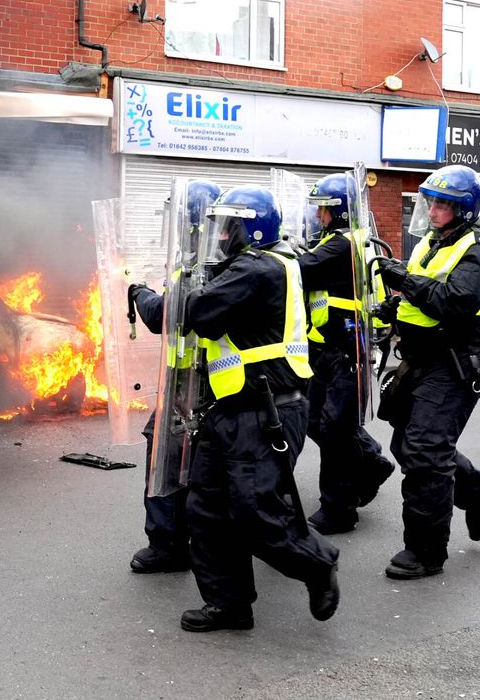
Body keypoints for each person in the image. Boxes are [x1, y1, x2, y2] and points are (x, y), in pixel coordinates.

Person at [177, 185, 340, 631]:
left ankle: (316, 562)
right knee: (207, 508)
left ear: (250, 229)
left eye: (229, 227)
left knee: (253, 511)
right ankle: (228, 603)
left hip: (264, 411)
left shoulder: (258, 269)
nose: (222, 236)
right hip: (230, 408)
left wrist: (145, 298)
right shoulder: (252, 266)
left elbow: (197, 314)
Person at [374, 165, 480, 580]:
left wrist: (404, 281)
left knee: (426, 453)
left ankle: (426, 550)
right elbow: (423, 299)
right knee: (406, 446)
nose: (432, 211)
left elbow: (454, 302)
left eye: (443, 205)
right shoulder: (431, 244)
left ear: (464, 211)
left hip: (456, 361)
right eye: (430, 202)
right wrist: (394, 311)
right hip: (422, 357)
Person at [125, 179, 221, 574]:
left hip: (195, 383)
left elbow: (166, 314)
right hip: (208, 380)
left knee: (166, 457)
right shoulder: (211, 260)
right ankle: (204, 541)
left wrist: (139, 293)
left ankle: (168, 544)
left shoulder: (204, 267)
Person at [296, 173, 397, 534]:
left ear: (338, 212)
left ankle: (339, 509)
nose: (317, 216)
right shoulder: (335, 241)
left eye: (323, 209)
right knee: (315, 421)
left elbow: (300, 270)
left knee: (336, 430)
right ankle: (370, 461)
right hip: (325, 347)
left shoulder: (343, 244)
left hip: (346, 350)